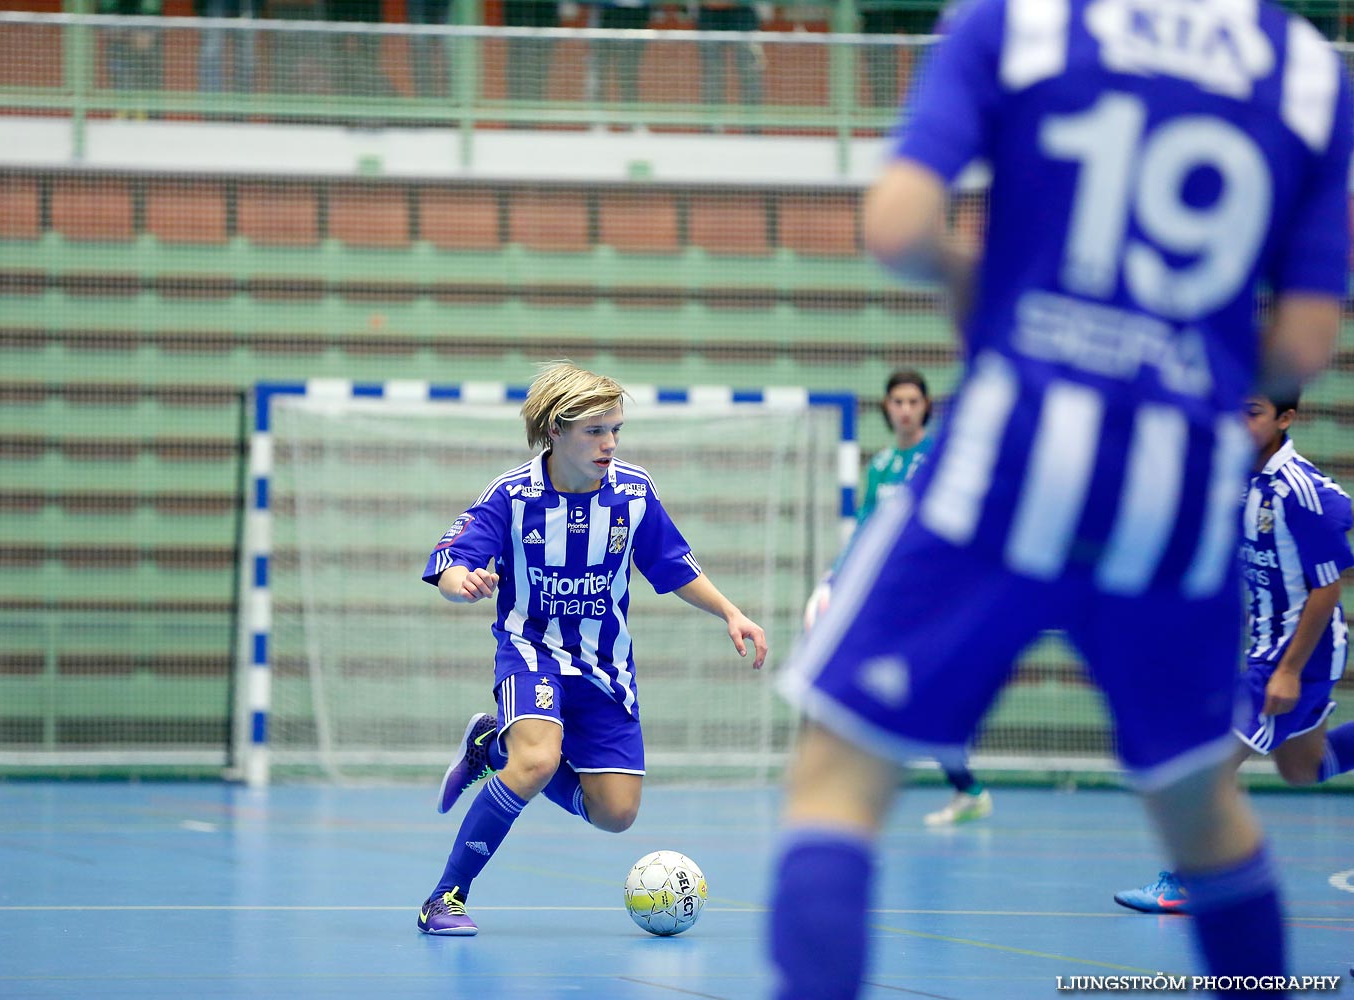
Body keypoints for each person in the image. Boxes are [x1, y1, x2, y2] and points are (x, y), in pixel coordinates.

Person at [767, 0, 1352, 997]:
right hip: (1172, 508)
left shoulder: (1020, 23)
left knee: (837, 779)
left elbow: (898, 228)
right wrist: (1181, 364)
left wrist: (984, 291)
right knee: (1204, 818)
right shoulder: (1309, 71)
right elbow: (1301, 345)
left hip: (1004, 467)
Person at [415, 360, 767, 936]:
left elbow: (671, 565)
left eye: (616, 430)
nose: (609, 443)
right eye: (595, 431)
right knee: (538, 760)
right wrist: (464, 586)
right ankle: (445, 897)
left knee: (616, 814)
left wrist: (730, 612)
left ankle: (491, 744)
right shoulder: (512, 496)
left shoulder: (633, 492)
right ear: (555, 430)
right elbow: (452, 561)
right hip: (531, 652)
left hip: (605, 667)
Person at [1115, 392, 1354, 914]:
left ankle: (1187, 882)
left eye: (1252, 412)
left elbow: (1328, 588)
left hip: (1298, 657)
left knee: (1204, 764)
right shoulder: (1237, 476)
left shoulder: (1301, 493)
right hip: (1264, 647)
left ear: (1285, 419)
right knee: (1302, 768)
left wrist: (1289, 670)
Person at [803, 369, 994, 826]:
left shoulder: (937, 459)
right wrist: (837, 576)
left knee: (918, 690)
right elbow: (867, 528)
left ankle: (956, 786)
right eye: (897, 402)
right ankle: (963, 787)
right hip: (893, 596)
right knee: (896, 687)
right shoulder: (882, 465)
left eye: (913, 401)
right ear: (886, 408)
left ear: (926, 407)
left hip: (933, 596)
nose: (905, 409)